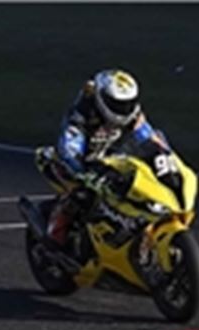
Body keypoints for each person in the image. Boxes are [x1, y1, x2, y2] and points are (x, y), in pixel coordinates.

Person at [36, 68, 153, 253]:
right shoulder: (82, 115)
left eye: (128, 103)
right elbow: (69, 148)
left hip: (110, 158)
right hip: (78, 160)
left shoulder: (133, 114)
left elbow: (148, 137)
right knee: (81, 193)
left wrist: (163, 154)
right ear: (102, 99)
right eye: (117, 104)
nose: (124, 109)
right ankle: (55, 233)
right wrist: (83, 173)